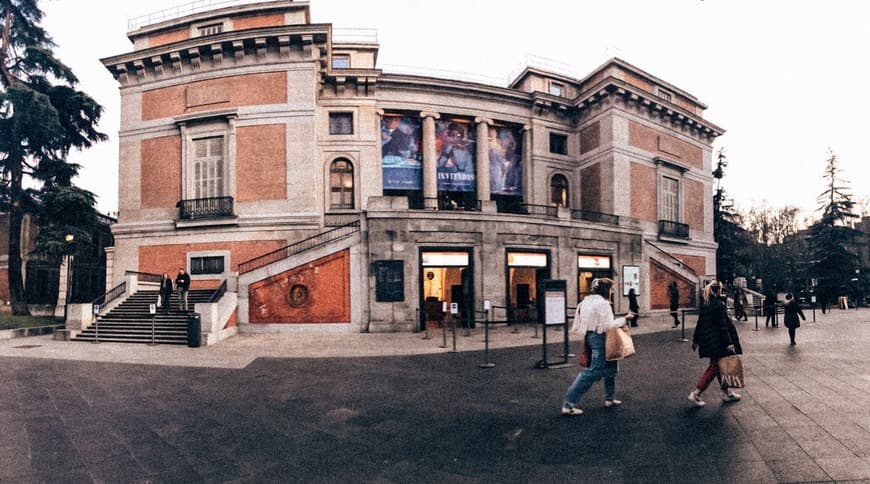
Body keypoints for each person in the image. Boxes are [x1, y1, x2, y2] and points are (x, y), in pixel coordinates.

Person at [561, 278, 634, 416]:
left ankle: (609, 398)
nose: (612, 292)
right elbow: (608, 325)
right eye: (611, 290)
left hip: (591, 335)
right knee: (592, 371)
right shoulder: (603, 304)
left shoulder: (586, 301)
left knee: (611, 366)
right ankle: (568, 404)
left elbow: (578, 322)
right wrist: (625, 319)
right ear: (606, 290)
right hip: (601, 337)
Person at [687, 280, 742, 407]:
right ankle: (696, 393)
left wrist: (696, 340)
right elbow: (723, 326)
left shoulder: (706, 303)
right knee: (714, 367)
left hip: (709, 341)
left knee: (718, 366)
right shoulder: (719, 304)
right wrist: (729, 342)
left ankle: (727, 392)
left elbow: (700, 323)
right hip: (718, 341)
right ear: (719, 290)